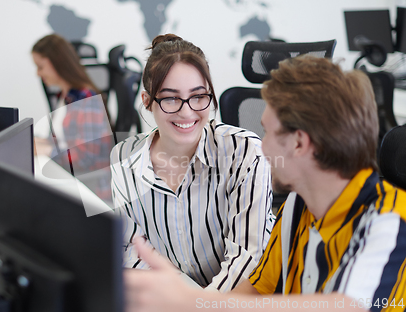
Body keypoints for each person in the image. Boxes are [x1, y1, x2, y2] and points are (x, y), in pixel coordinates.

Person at [123, 55, 406, 312]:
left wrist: (190, 302)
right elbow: (253, 292)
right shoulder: (296, 207)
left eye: (267, 132)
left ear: (298, 143)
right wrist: (188, 303)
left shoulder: (392, 217)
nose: (263, 146)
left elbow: (348, 304)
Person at [110, 34, 275, 293]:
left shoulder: (243, 152)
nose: (187, 112)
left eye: (198, 97)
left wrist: (201, 306)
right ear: (147, 100)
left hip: (234, 302)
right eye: (170, 98)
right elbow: (134, 251)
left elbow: (248, 257)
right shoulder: (123, 159)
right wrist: (184, 300)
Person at [31, 34, 114, 203]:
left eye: (40, 66)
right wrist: (34, 143)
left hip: (89, 186)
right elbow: (61, 140)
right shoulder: (66, 96)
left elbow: (86, 156)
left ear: (57, 63)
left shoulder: (86, 100)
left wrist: (47, 151)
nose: (38, 73)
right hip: (69, 175)